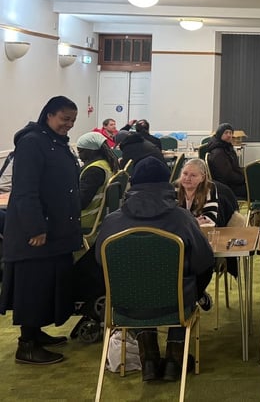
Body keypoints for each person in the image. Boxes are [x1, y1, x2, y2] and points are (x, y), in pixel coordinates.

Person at [95, 156, 214, 382]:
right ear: (167, 183)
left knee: (139, 284)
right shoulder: (183, 219)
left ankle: (148, 360)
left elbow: (100, 261)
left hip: (125, 306)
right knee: (184, 282)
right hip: (174, 303)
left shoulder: (112, 221)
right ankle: (173, 361)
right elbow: (204, 261)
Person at [0, 96, 82, 365]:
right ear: (48, 115)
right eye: (64, 119)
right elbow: (25, 191)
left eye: (72, 120)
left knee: (46, 284)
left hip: (56, 230)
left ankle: (36, 333)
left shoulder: (55, 143)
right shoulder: (33, 143)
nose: (68, 125)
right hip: (34, 234)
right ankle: (27, 345)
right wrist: (36, 227)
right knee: (32, 287)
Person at [76, 131, 120, 234]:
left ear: (91, 151)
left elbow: (81, 202)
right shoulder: (107, 164)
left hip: (85, 218)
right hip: (99, 217)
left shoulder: (94, 171)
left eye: (80, 151)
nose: (79, 155)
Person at [205, 122, 246, 199]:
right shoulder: (218, 152)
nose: (229, 135)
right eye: (226, 132)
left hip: (231, 184)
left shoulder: (226, 148)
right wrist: (243, 178)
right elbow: (227, 175)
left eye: (230, 133)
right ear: (220, 134)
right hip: (226, 187)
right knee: (255, 189)